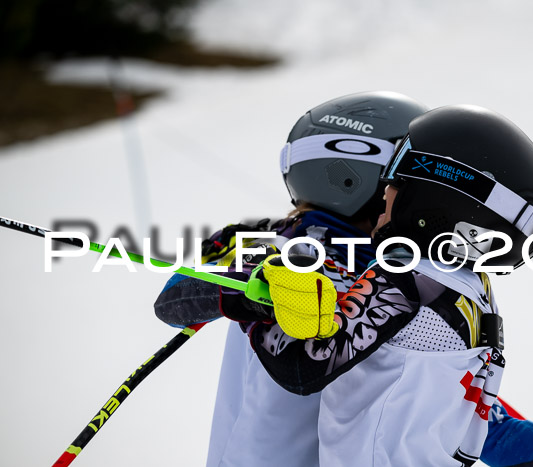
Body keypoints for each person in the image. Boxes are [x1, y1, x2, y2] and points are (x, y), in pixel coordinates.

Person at [231, 105, 533, 466]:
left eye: (398, 177)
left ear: (438, 201)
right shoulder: (469, 289)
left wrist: (255, 305)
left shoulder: (408, 277)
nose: (383, 190)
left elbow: (303, 367)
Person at [154, 91, 429, 467]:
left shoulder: (405, 273)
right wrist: (253, 292)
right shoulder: (273, 244)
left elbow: (430, 384)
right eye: (407, 179)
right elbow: (173, 299)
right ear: (355, 176)